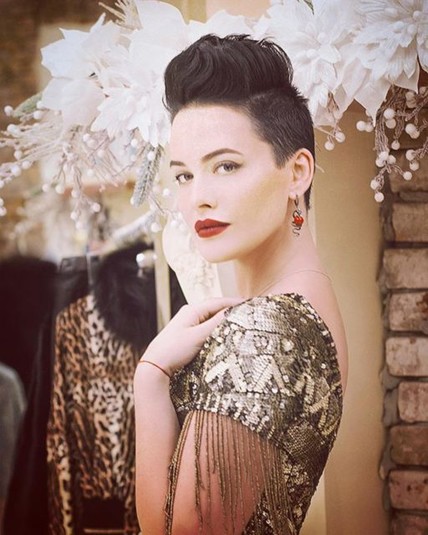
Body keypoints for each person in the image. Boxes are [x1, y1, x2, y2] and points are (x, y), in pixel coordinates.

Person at [133, 34, 348, 535]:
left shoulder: (264, 328)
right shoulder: (305, 300)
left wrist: (151, 377)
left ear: (297, 172)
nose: (198, 199)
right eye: (184, 176)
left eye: (225, 166)